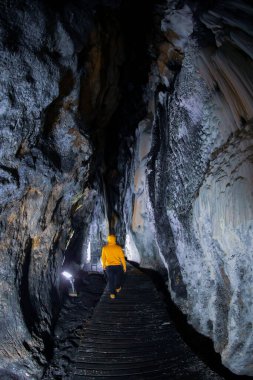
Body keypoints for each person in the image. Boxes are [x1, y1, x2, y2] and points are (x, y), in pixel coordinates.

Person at [101, 235, 126, 299]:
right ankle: (117, 288)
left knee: (110, 280)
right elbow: (122, 258)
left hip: (109, 267)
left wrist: (103, 265)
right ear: (115, 240)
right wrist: (124, 266)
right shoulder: (118, 248)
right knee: (118, 278)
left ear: (108, 240)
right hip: (118, 266)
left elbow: (103, 258)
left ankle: (112, 294)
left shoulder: (105, 248)